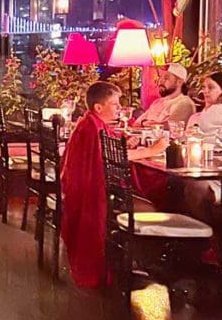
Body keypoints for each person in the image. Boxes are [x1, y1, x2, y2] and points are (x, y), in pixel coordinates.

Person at [60, 82, 158, 288]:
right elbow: (112, 155)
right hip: (95, 195)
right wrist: (153, 150)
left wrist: (123, 141)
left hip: (83, 188)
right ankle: (148, 260)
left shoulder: (91, 123)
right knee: (156, 202)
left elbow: (110, 145)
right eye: (114, 104)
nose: (119, 108)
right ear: (98, 108)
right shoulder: (91, 128)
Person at [132, 63, 196, 128]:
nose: (161, 81)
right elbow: (137, 124)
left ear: (179, 82)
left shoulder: (185, 103)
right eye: (160, 77)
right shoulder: (157, 102)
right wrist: (146, 123)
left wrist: (145, 123)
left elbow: (169, 127)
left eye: (166, 78)